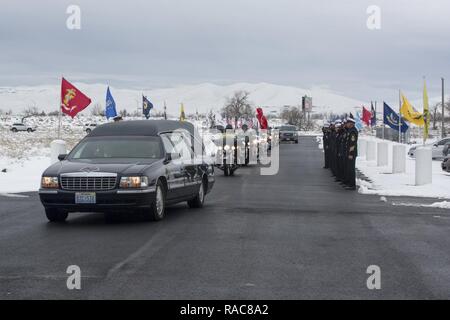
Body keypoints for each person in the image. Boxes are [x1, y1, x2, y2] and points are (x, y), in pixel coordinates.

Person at [344, 117, 358, 190]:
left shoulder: (352, 132)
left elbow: (352, 144)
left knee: (351, 169)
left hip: (351, 154)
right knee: (349, 169)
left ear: (351, 124)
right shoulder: (350, 130)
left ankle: (352, 185)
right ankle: (349, 183)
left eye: (348, 123)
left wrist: (350, 154)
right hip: (349, 153)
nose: (347, 124)